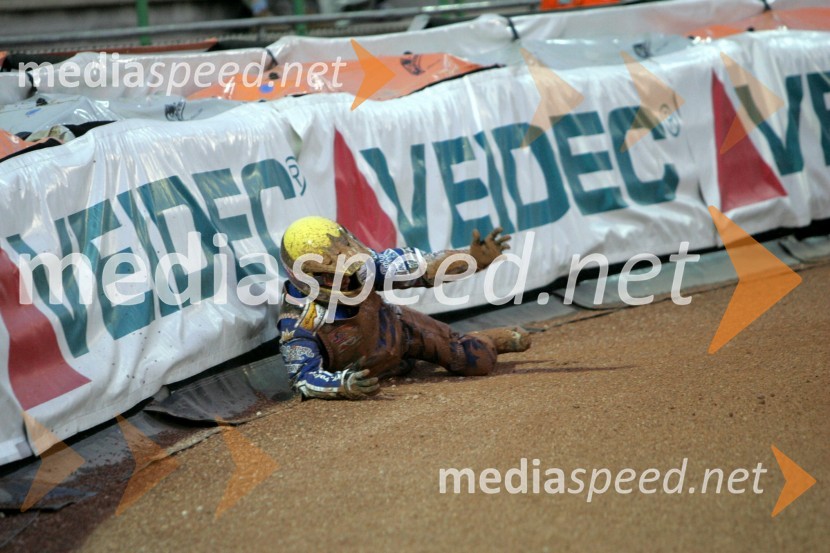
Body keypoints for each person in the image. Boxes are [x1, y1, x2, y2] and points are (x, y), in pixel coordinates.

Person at [277, 216, 531, 400]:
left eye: (348, 264)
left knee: (477, 361)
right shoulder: (298, 320)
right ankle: (403, 362)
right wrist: (343, 384)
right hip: (371, 369)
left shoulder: (365, 267)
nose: (346, 276)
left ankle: (488, 340)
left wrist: (473, 259)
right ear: (305, 276)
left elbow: (423, 268)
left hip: (400, 330)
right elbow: (302, 377)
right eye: (333, 272)